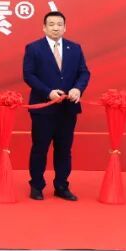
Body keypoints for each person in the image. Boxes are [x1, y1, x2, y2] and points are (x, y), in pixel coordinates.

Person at [23, 11, 90, 201]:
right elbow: (28, 75)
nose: (55, 28)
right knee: (40, 148)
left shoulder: (74, 48)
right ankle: (37, 185)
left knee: (64, 149)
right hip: (43, 108)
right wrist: (48, 92)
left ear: (65, 27)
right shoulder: (34, 48)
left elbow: (84, 72)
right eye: (51, 24)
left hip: (68, 108)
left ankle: (61, 186)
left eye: (59, 24)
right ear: (44, 27)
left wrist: (77, 89)